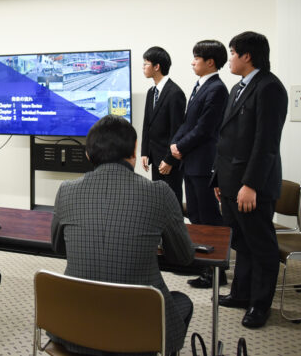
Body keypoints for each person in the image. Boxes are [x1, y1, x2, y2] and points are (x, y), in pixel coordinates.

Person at [51, 115, 194, 355]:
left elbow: (58, 248)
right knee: (182, 303)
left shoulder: (66, 191)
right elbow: (183, 257)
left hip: (73, 330)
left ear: (88, 154)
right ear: (133, 154)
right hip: (138, 335)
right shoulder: (160, 193)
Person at [213, 31, 288, 329]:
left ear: (247, 56)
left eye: (232, 53)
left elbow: (265, 143)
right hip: (231, 183)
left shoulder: (269, 88)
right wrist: (218, 179)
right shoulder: (238, 88)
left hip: (251, 186)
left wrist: (251, 185)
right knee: (241, 244)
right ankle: (241, 293)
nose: (229, 58)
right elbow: (227, 139)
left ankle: (260, 305)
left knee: (261, 246)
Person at [170, 40, 229, 289]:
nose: (192, 62)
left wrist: (180, 147)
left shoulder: (217, 89)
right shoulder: (199, 86)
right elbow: (187, 124)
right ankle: (204, 265)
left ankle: (216, 271)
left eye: (196, 58)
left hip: (203, 164)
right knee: (195, 216)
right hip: (191, 162)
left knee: (208, 219)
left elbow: (205, 129)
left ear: (210, 62)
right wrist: (174, 145)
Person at [140, 46, 186, 209]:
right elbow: (147, 124)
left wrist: (170, 160)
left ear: (157, 66)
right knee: (158, 202)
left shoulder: (175, 93)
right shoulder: (151, 92)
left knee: (172, 203)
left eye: (146, 64)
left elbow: (177, 131)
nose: (143, 68)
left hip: (169, 160)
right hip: (155, 156)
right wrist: (145, 151)